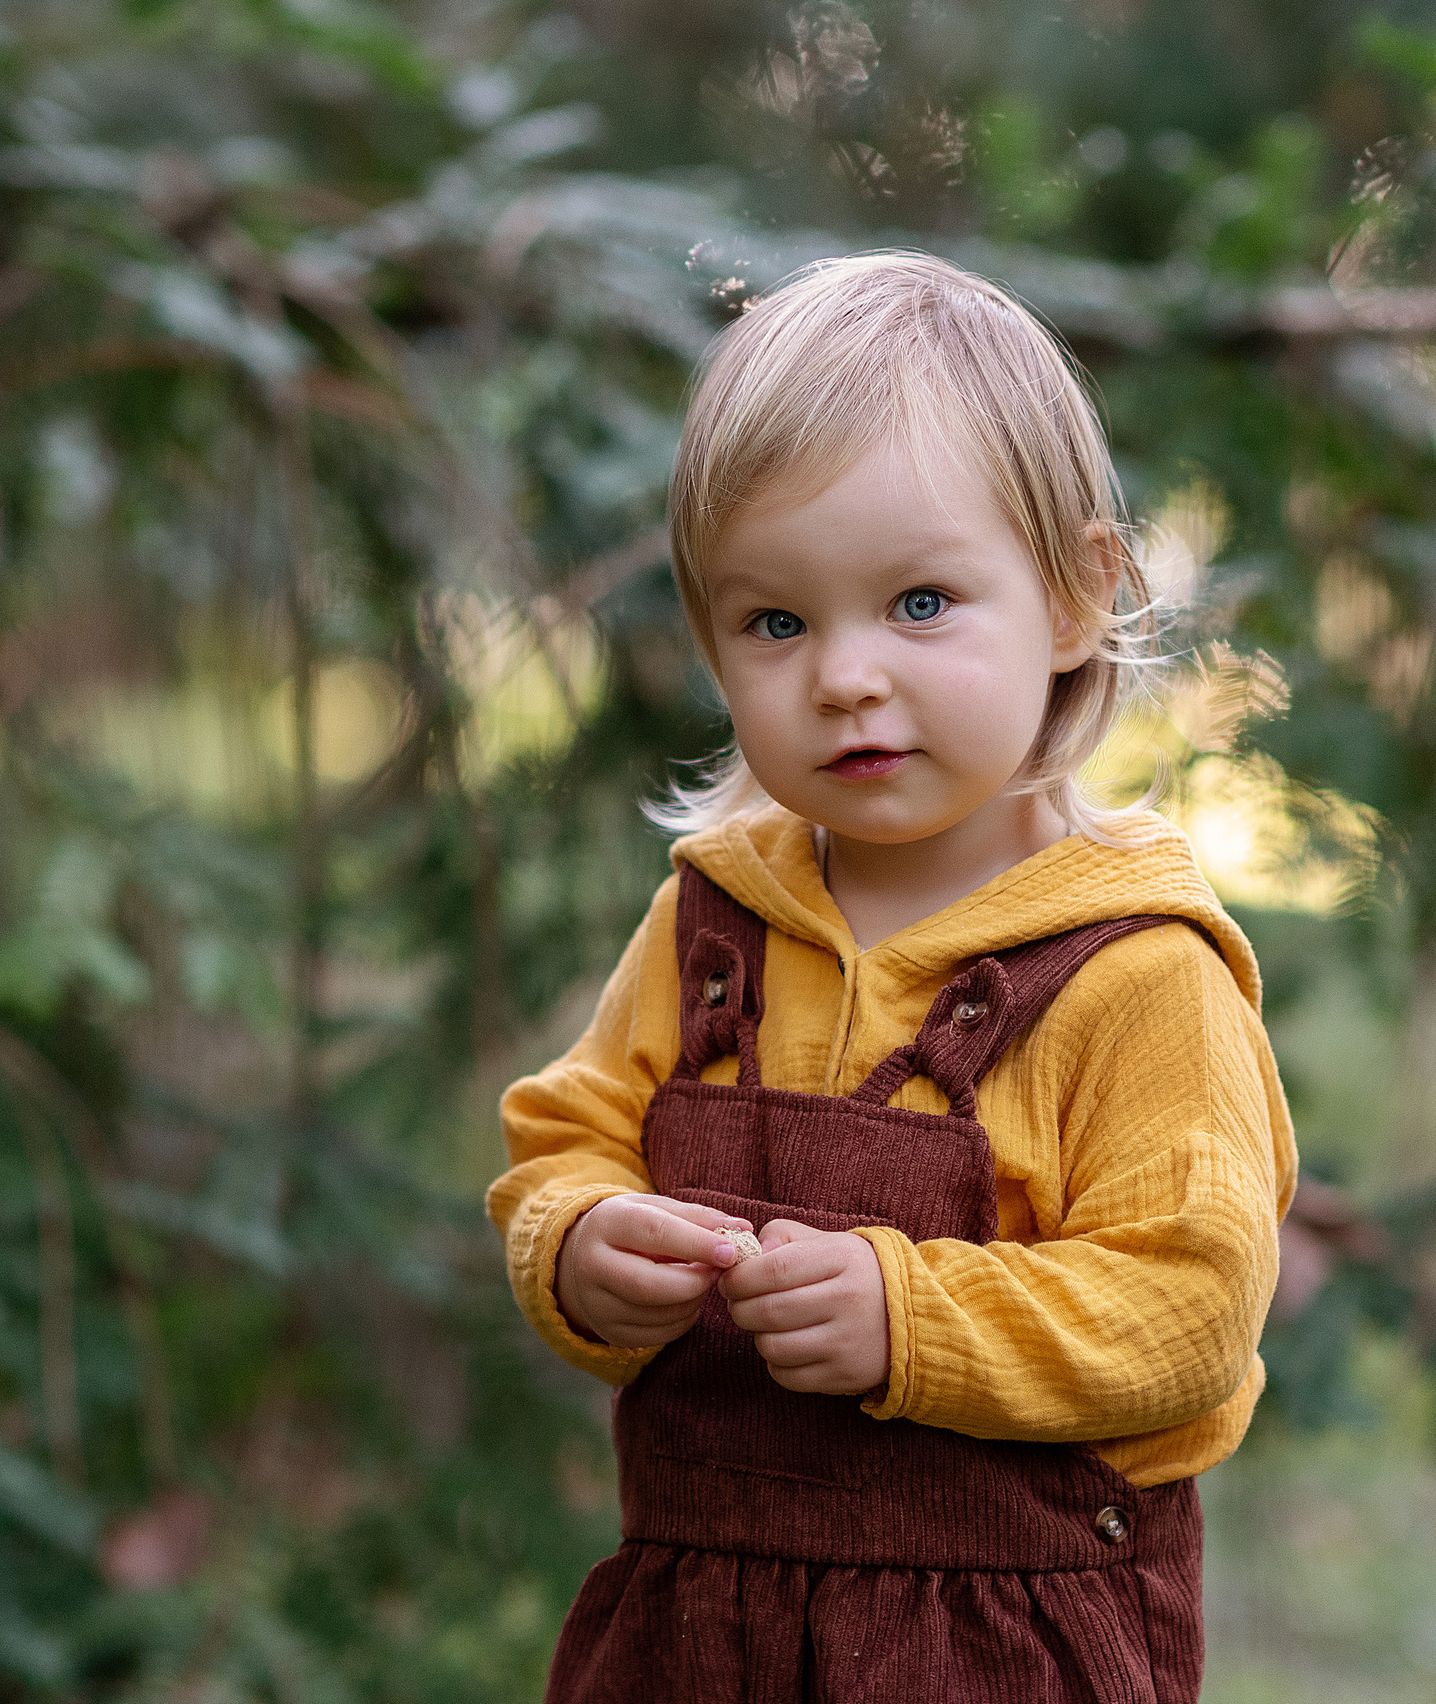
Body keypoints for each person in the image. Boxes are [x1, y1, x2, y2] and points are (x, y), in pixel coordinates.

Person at [488, 251, 1296, 1704]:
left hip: (1002, 1647)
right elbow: (571, 1135)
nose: (845, 676)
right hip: (698, 1635)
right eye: (776, 623)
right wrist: (581, 1245)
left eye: (919, 603)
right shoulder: (713, 925)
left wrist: (907, 1320)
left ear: (1071, 597)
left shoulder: (1137, 976)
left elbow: (1189, 1303)